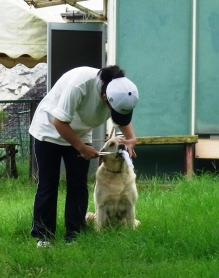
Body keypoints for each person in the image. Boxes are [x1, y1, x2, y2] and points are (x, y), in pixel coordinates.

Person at [28, 65, 139, 247]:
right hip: (49, 130)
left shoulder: (121, 90)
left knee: (78, 184)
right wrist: (81, 148)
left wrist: (131, 139)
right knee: (48, 183)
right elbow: (59, 121)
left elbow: (121, 119)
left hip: (79, 133)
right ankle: (44, 236)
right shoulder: (80, 84)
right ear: (105, 97)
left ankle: (74, 233)